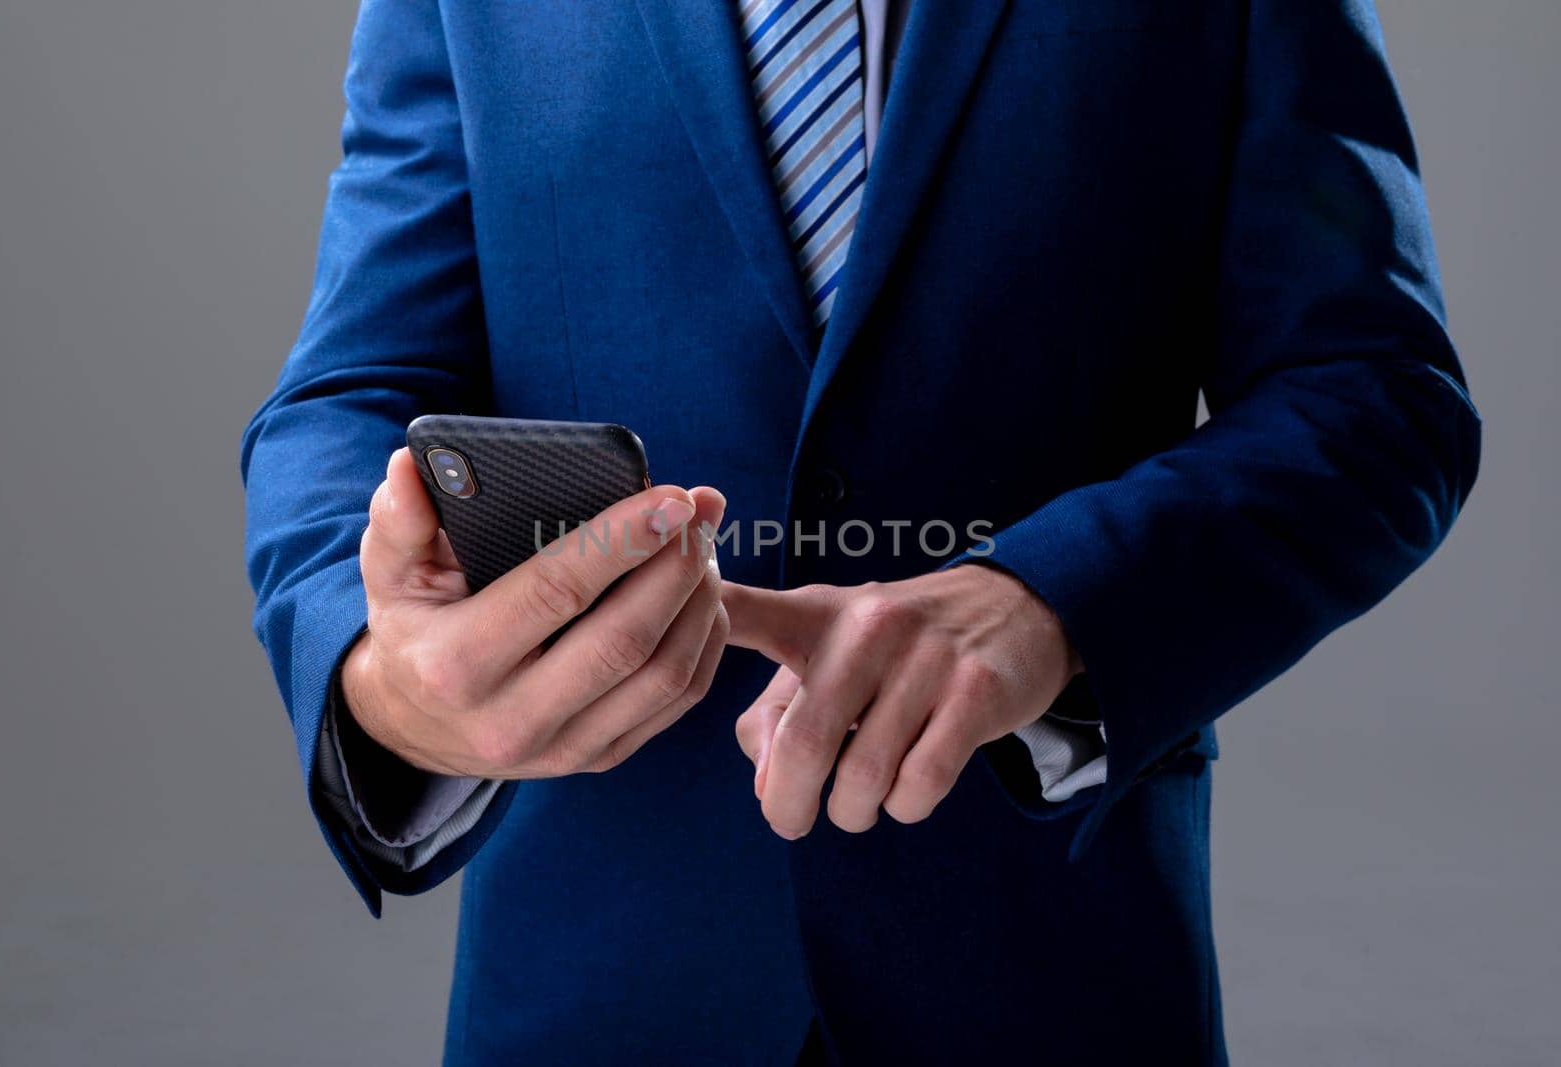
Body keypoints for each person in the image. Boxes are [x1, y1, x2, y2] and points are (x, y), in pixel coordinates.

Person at [241, 1, 1480, 1062]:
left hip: (1050, 964)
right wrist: (377, 674)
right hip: (601, 978)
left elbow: (1376, 392)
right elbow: (353, 391)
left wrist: (1054, 602)